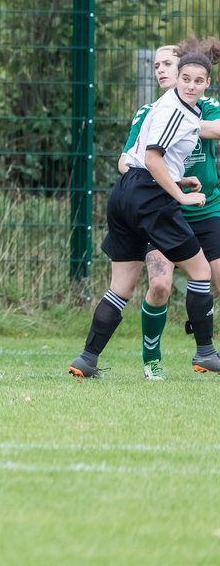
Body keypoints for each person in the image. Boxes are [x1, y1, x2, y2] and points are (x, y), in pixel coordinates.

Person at [70, 46, 220, 378]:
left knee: (121, 286)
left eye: (198, 81)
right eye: (185, 79)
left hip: (125, 195)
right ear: (177, 79)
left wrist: (181, 178)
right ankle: (206, 353)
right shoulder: (176, 111)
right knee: (200, 272)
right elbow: (153, 159)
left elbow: (148, 160)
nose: (191, 85)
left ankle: (87, 359)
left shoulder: (170, 107)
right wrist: (180, 196)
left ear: (207, 83)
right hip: (150, 196)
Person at [117, 38, 220, 379]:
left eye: (167, 63)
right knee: (160, 285)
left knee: (211, 278)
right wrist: (175, 187)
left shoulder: (205, 106)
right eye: (157, 65)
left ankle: (205, 353)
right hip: (164, 208)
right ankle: (152, 362)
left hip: (206, 211)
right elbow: (127, 161)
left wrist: (189, 124)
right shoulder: (153, 111)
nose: (160, 69)